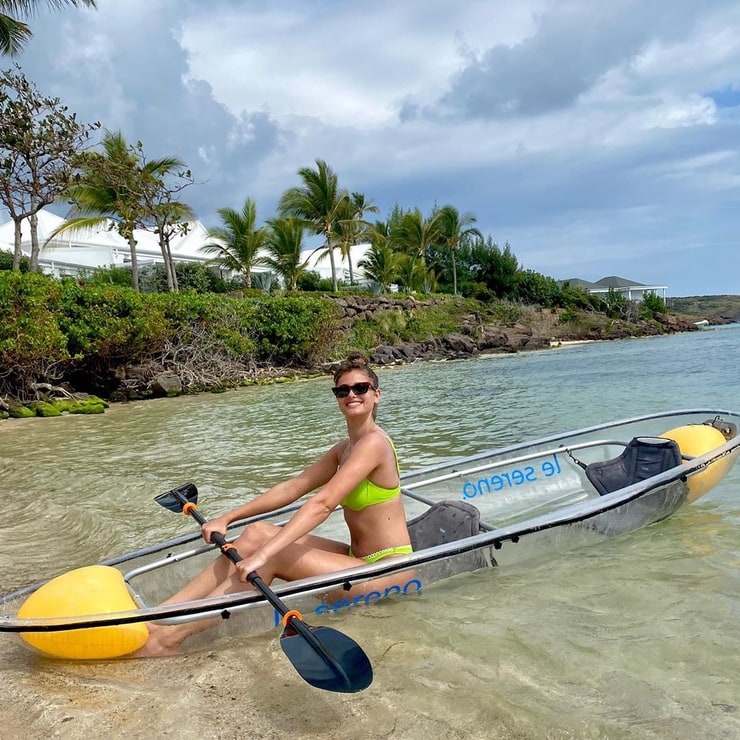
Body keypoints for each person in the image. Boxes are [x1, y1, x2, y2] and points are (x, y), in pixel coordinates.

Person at [139, 352, 411, 656]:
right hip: (355, 558)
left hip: (387, 570)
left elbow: (322, 504)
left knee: (270, 556)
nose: (351, 395)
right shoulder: (345, 449)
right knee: (255, 533)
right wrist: (227, 518)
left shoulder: (374, 444)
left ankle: (169, 639)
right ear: (337, 397)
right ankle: (156, 618)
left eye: (360, 388)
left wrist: (263, 556)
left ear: (376, 395)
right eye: (342, 390)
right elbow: (292, 488)